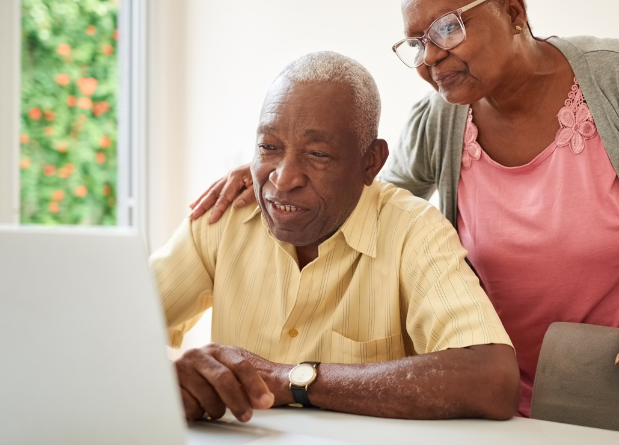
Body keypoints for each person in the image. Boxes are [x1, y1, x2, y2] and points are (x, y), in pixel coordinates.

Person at [190, 0, 619, 416]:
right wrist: (280, 162)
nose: (430, 57)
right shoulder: (442, 118)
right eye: (415, 42)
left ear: (514, 10)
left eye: (447, 29)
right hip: (490, 395)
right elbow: (372, 197)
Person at [153, 51, 518, 423]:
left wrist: (289, 380)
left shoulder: (414, 231)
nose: (283, 178)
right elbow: (108, 332)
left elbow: (492, 380)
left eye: (317, 153)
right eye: (268, 147)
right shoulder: (223, 217)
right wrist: (178, 375)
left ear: (370, 162)